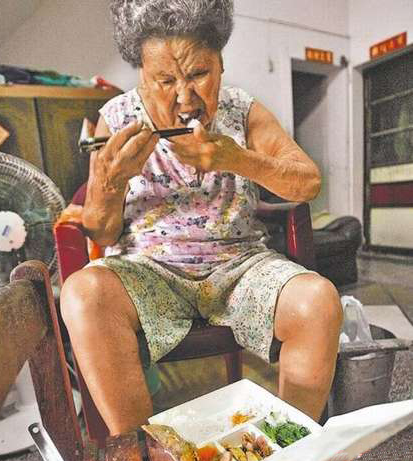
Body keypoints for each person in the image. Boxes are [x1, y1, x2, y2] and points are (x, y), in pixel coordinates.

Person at [60, 0, 342, 436]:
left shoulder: (241, 110)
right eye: (165, 80)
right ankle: (142, 454)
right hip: (148, 271)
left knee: (318, 301)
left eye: (198, 74)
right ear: (142, 75)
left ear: (220, 64)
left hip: (242, 268)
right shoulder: (116, 119)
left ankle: (291, 449)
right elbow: (101, 230)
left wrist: (237, 158)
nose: (184, 97)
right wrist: (111, 183)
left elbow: (307, 183)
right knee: (82, 294)